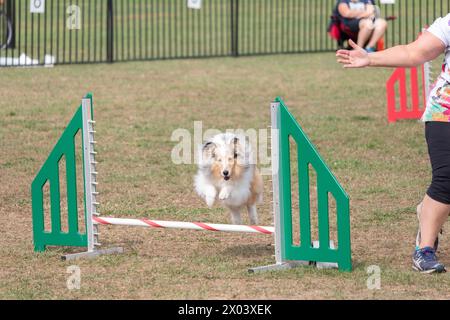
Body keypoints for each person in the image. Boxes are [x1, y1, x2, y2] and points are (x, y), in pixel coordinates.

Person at [336, 14, 450, 273]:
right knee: (446, 179)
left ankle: (427, 210)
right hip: (446, 109)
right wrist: (370, 57)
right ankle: (425, 248)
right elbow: (413, 53)